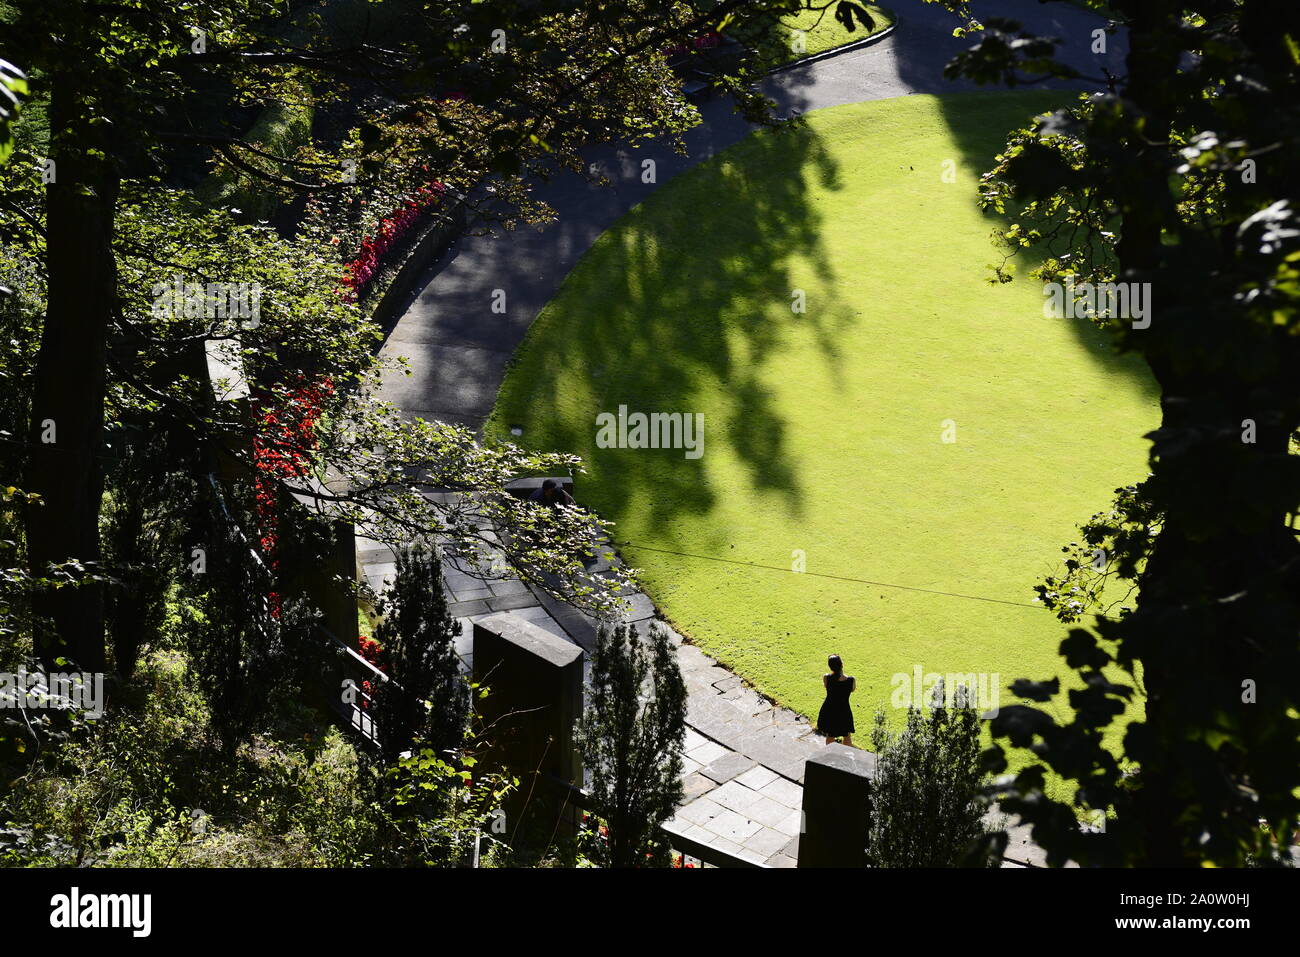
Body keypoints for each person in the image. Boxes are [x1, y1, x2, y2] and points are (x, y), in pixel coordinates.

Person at [816, 654, 855, 746]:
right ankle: (844, 756)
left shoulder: (826, 678)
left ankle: (830, 755)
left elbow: (826, 686)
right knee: (847, 735)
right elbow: (852, 689)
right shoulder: (851, 680)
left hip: (829, 710)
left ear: (830, 667)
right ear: (842, 664)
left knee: (830, 735)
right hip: (844, 710)